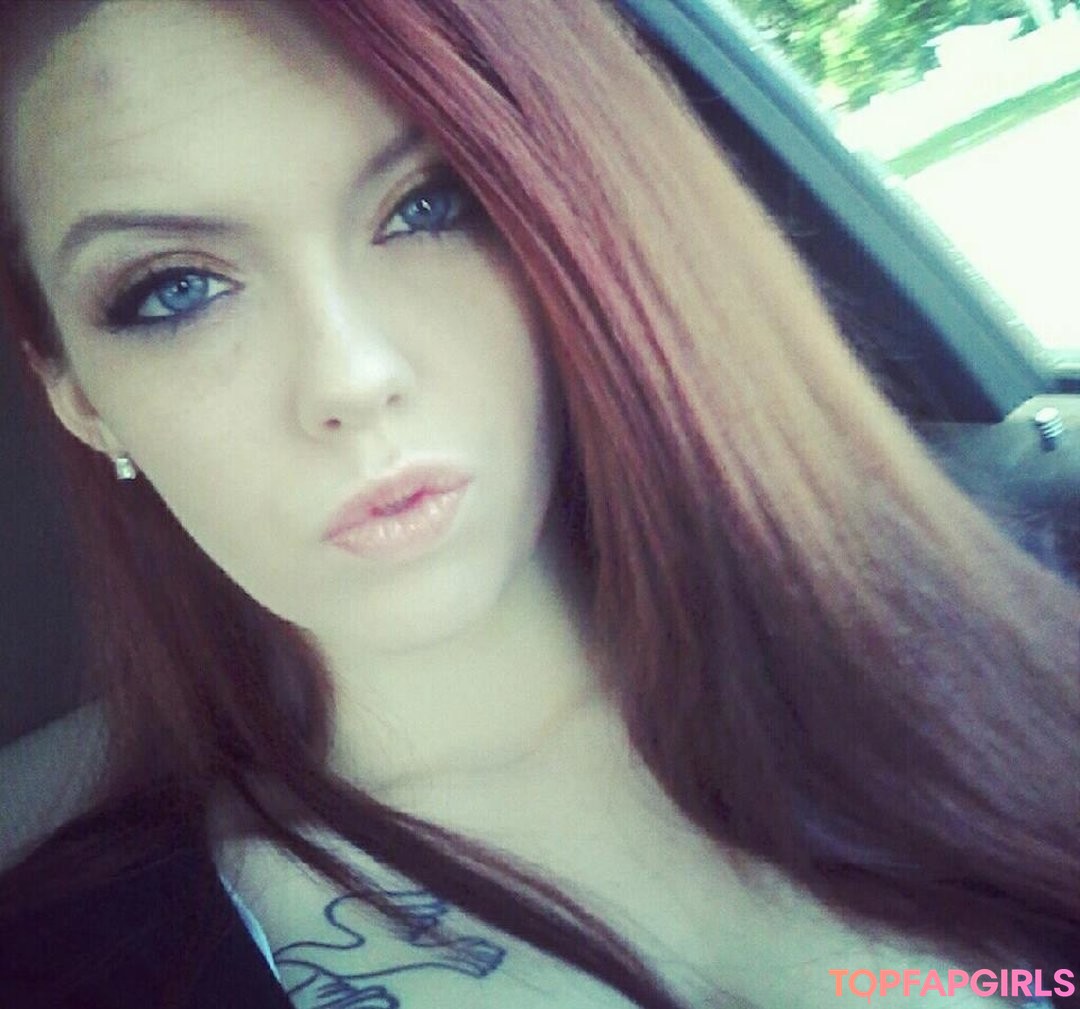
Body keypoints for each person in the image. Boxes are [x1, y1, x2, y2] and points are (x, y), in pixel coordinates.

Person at [0, 1, 1076, 1007]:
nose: (352, 376)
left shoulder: (1013, 616)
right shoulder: (69, 969)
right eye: (175, 289)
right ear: (79, 394)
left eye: (429, 206)